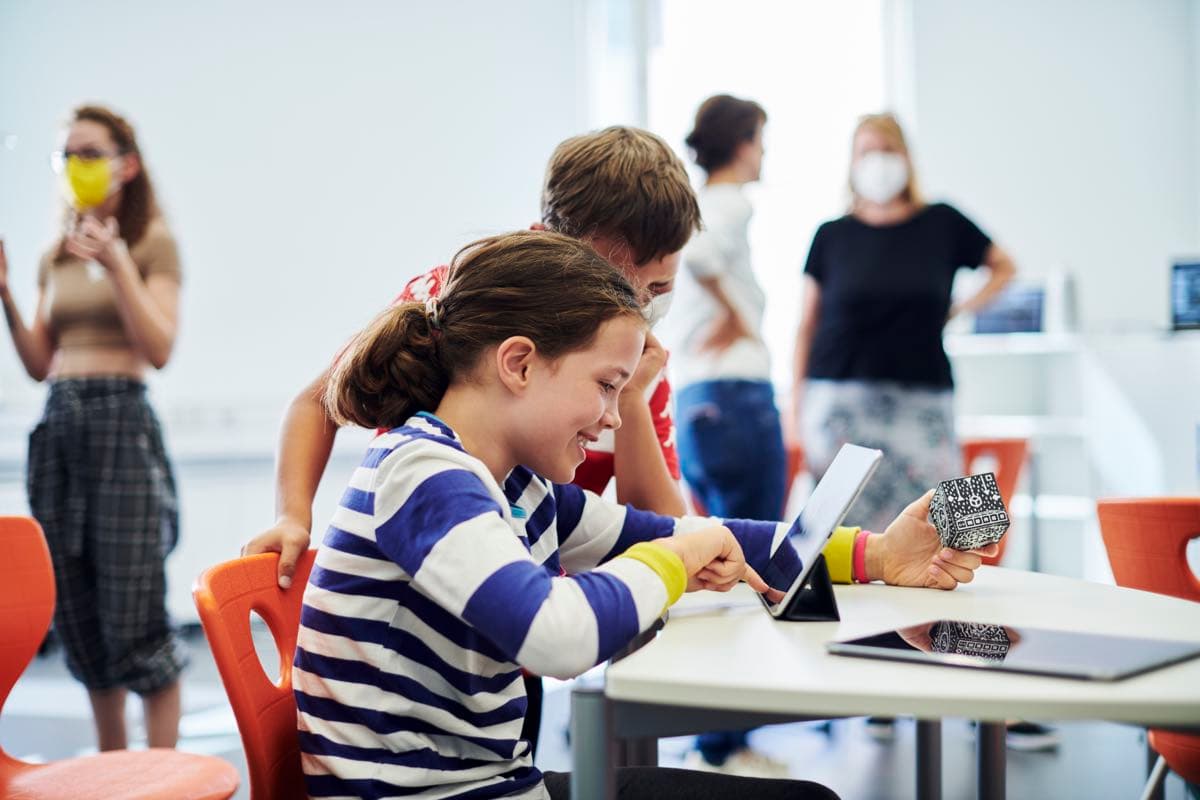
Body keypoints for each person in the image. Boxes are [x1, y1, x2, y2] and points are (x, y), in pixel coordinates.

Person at [293, 231, 995, 799]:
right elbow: (553, 633)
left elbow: (681, 534)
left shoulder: (517, 488)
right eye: (605, 387)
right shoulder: (424, 473)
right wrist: (678, 558)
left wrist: (876, 554)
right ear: (519, 364)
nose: (609, 419)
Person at [789, 111, 1018, 744]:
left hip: (925, 397)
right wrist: (794, 404)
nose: (878, 160)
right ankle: (875, 687)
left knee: (950, 533)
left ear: (906, 156)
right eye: (866, 150)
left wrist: (959, 309)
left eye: (887, 148)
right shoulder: (831, 233)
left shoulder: (942, 221)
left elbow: (1006, 265)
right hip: (839, 399)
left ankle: (980, 686)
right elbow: (805, 325)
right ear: (851, 160)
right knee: (853, 542)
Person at [0, 104, 187, 750]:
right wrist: (5, 292)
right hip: (59, 425)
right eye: (66, 155)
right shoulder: (54, 255)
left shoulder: (151, 242)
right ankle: (113, 776)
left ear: (125, 164)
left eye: (89, 152)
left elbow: (159, 346)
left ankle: (164, 784)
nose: (75, 166)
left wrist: (118, 266)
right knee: (78, 616)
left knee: (134, 617)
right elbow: (38, 362)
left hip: (121, 422)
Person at [659, 93, 786, 774]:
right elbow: (703, 255)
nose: (765, 154)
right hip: (736, 394)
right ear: (741, 143)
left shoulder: (703, 201)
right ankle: (723, 744)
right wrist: (740, 314)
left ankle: (717, 735)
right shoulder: (730, 201)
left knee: (716, 558)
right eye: (761, 140)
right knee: (752, 561)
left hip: (700, 399)